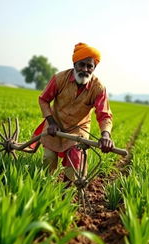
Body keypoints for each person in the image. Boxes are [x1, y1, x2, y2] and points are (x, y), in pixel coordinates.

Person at [38, 42, 113, 181]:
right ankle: (44, 186)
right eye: (81, 64)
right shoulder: (59, 79)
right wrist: (51, 122)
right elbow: (43, 99)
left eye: (90, 66)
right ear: (75, 64)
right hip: (56, 124)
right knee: (49, 158)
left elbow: (104, 114)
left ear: (94, 68)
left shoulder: (98, 88)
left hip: (79, 128)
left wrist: (106, 135)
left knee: (76, 161)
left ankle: (66, 191)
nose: (85, 69)